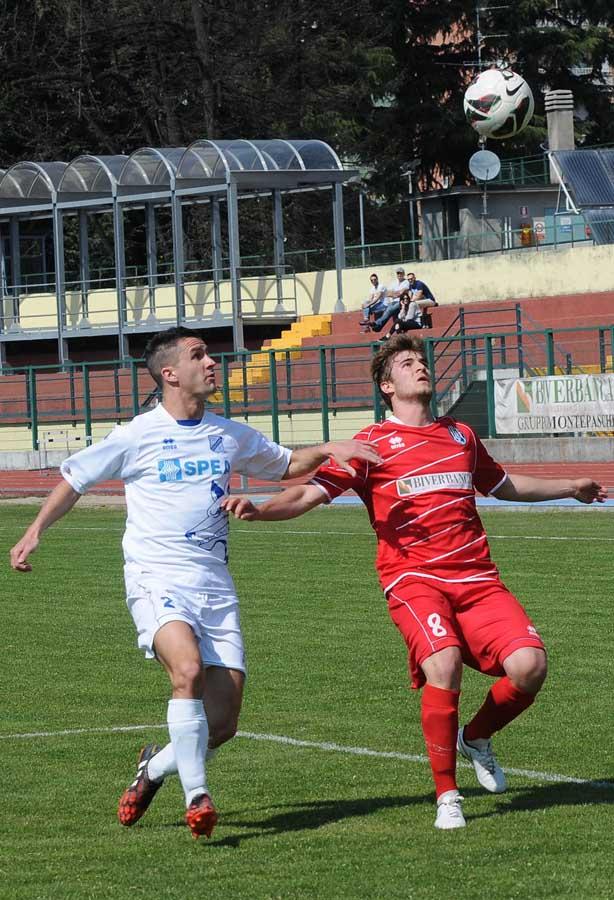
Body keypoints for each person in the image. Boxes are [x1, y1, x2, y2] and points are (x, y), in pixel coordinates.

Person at [221, 333, 606, 831]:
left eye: (421, 361)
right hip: (413, 578)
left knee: (530, 667)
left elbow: (504, 485)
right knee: (443, 662)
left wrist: (569, 488)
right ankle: (448, 796)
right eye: (407, 363)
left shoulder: (461, 437)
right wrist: (260, 509)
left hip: (477, 579)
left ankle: (477, 738)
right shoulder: (371, 445)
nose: (420, 367)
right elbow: (308, 495)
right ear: (387, 385)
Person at [9, 325, 381, 840]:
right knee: (185, 670)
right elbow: (76, 480)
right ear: (169, 373)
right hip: (155, 575)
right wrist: (34, 531)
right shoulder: (137, 433)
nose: (212, 363)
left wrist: (328, 448)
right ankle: (197, 796)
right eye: (199, 355)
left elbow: (285, 465)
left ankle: (154, 767)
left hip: (215, 585)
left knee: (222, 723)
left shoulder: (228, 433)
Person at [372, 271, 436, 333]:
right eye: (409, 279)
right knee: (409, 304)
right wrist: (408, 302)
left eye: (411, 279)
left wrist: (409, 302)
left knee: (414, 304)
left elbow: (418, 296)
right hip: (420, 302)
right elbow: (409, 296)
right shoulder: (411, 285)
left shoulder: (419, 284)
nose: (410, 280)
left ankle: (418, 322)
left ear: (414, 278)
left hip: (430, 300)